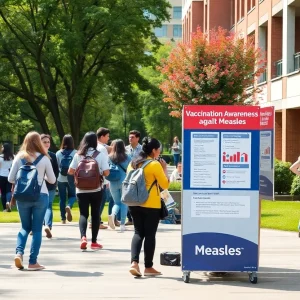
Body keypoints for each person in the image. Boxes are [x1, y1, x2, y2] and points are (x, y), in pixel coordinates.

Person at [8, 131, 56, 270]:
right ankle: (33, 262)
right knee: (36, 230)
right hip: (41, 196)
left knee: (24, 227)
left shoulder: (19, 157)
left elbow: (11, 179)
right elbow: (52, 180)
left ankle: (19, 253)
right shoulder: (45, 158)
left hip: (22, 196)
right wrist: (42, 177)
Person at [128, 137, 169, 277]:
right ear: (153, 150)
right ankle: (148, 267)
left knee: (138, 232)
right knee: (150, 235)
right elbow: (165, 184)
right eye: (159, 150)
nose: (159, 153)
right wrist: (164, 169)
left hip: (134, 203)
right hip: (151, 204)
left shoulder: (133, 163)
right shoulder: (154, 165)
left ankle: (134, 263)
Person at [68, 132, 110, 250]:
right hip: (96, 188)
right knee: (95, 214)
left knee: (83, 214)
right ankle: (94, 242)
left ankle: (83, 237)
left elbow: (70, 171)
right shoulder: (100, 154)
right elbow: (106, 172)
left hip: (81, 189)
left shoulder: (78, 154)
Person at [107, 139, 131, 232]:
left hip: (112, 182)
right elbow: (131, 170)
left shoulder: (109, 157)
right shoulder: (127, 157)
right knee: (124, 203)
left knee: (116, 202)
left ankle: (113, 215)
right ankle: (122, 225)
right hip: (124, 182)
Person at [41, 134, 59, 238]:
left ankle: (45, 225)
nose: (47, 144)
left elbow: (56, 171)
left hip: (50, 184)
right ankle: (47, 225)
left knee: (46, 205)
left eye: (48, 142)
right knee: (47, 206)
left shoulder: (52, 155)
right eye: (45, 142)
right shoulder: (37, 155)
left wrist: (53, 180)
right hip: (39, 185)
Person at [56, 135, 76, 224]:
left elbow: (57, 166)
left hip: (61, 178)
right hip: (71, 177)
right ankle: (69, 205)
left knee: (62, 198)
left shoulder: (58, 153)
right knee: (73, 196)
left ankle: (63, 218)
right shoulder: (76, 153)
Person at [125, 130, 142, 225]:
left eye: (132, 137)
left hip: (138, 175)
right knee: (128, 197)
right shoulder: (125, 149)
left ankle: (137, 218)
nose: (130, 139)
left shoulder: (142, 149)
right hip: (127, 176)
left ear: (137, 138)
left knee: (137, 197)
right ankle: (129, 219)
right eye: (129, 137)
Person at [95, 127, 111, 229]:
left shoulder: (90, 146)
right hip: (100, 179)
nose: (108, 138)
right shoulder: (102, 149)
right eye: (107, 136)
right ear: (102, 136)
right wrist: (106, 181)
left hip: (90, 178)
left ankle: (94, 220)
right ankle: (96, 221)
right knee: (102, 199)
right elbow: (105, 165)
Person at [0, 143, 14, 212]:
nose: (1, 148)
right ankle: (8, 201)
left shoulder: (0, 157)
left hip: (1, 176)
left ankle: (5, 208)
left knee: (3, 192)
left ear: (4, 148)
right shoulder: (13, 157)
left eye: (2, 147)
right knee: (9, 191)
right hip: (10, 176)